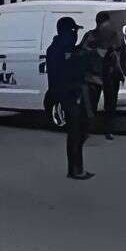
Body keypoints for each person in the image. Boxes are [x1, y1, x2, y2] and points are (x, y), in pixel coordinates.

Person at [46, 17, 92, 179]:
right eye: (74, 31)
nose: (76, 34)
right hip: (69, 94)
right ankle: (76, 169)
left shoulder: (61, 48)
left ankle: (75, 168)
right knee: (76, 132)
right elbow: (70, 71)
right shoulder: (61, 49)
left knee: (80, 130)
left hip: (68, 93)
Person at [80, 11, 126, 140]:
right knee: (95, 104)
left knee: (107, 105)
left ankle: (104, 129)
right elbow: (83, 52)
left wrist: (122, 71)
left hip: (107, 75)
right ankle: (93, 129)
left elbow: (123, 54)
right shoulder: (92, 36)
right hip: (97, 76)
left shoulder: (113, 36)